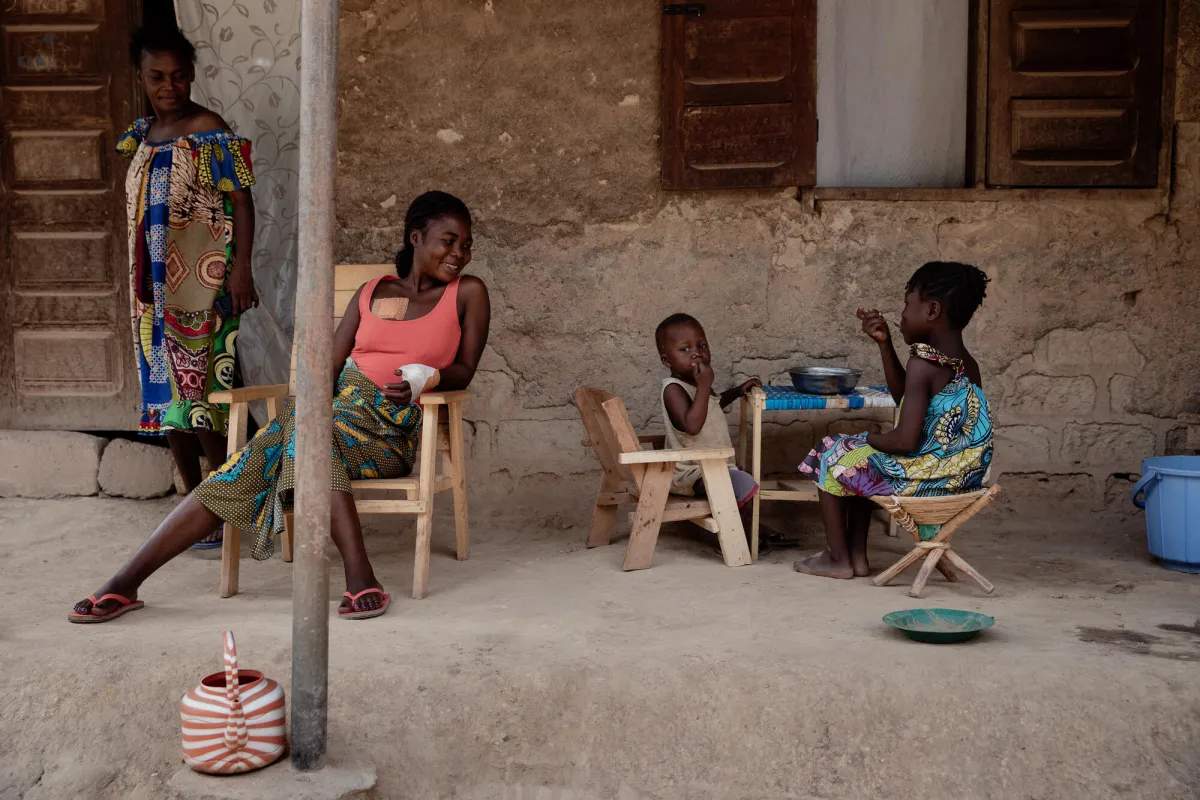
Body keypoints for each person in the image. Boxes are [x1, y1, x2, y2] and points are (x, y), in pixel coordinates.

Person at [70, 191, 491, 623]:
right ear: (416, 237)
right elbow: (325, 370)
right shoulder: (370, 293)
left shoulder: (468, 293)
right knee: (296, 440)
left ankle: (124, 582)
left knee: (277, 449)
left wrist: (427, 377)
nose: (459, 253)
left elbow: (465, 368)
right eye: (449, 240)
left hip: (387, 432)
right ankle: (359, 578)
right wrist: (313, 409)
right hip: (328, 417)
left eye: (466, 244)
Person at [118, 26, 260, 549]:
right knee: (165, 398)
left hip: (203, 282)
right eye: (157, 76)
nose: (168, 86)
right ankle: (193, 499)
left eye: (178, 76)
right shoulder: (141, 136)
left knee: (201, 394)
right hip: (151, 289)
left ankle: (224, 506)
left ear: (192, 76)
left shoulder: (209, 130)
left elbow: (240, 203)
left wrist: (242, 268)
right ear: (140, 78)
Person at [793, 261, 994, 580]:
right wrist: (884, 344)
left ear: (931, 310)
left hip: (927, 483)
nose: (901, 315)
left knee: (831, 450)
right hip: (958, 479)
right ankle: (857, 556)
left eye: (907, 305)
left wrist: (869, 437)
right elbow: (909, 399)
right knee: (862, 457)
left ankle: (837, 557)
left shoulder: (923, 363)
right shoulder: (966, 364)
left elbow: (905, 442)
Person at [656, 314, 797, 556]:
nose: (696, 354)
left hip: (712, 466)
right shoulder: (673, 389)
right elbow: (692, 425)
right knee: (743, 484)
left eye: (702, 346)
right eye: (685, 349)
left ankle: (752, 529)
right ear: (667, 360)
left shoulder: (698, 386)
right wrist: (703, 385)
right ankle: (737, 537)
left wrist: (735, 392)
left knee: (743, 478)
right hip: (690, 472)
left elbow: (710, 407)